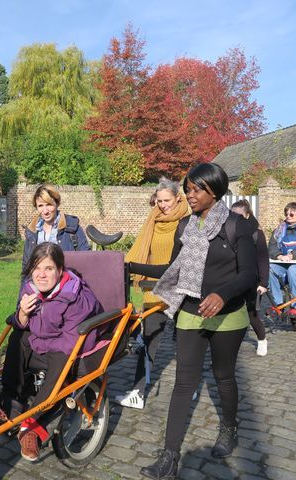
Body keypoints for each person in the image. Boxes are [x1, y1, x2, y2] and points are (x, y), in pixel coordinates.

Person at [139, 163, 257, 479]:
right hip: (190, 311)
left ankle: (229, 428)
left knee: (223, 376)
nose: (189, 195)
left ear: (214, 191)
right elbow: (171, 268)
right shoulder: (184, 228)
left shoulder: (236, 226)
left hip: (228, 314)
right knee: (183, 383)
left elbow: (249, 273)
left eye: (196, 190)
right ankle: (169, 456)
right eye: (187, 189)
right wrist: (129, 266)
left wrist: (222, 294)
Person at [0, 242, 103, 462]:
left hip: (70, 345)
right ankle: (11, 407)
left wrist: (38, 342)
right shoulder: (30, 289)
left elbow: (71, 341)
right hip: (46, 341)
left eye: (48, 269)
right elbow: (19, 324)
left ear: (59, 270)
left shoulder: (75, 296)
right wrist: (23, 315)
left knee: (58, 363)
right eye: (36, 268)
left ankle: (32, 425)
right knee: (18, 338)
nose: (41, 275)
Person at [116, 178, 190, 409]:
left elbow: (176, 265)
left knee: (186, 343)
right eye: (159, 201)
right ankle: (137, 393)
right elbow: (142, 250)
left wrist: (134, 267)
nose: (162, 205)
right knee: (149, 340)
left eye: (167, 200)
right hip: (154, 288)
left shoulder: (188, 221)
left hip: (181, 289)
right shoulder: (154, 219)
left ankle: (190, 387)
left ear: (178, 197)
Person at [230, 200, 270, 356]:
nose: (235, 218)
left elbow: (263, 259)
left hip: (251, 278)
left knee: (252, 314)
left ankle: (261, 339)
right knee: (230, 313)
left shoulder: (256, 233)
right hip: (232, 276)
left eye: (238, 215)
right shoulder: (229, 229)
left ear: (247, 215)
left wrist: (263, 282)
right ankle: (227, 347)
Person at [22, 183, 89, 270]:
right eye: (40, 206)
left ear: (57, 204)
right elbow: (26, 265)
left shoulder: (72, 228)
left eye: (49, 205)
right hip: (39, 282)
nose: (45, 211)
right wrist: (24, 283)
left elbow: (86, 260)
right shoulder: (32, 231)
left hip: (67, 282)